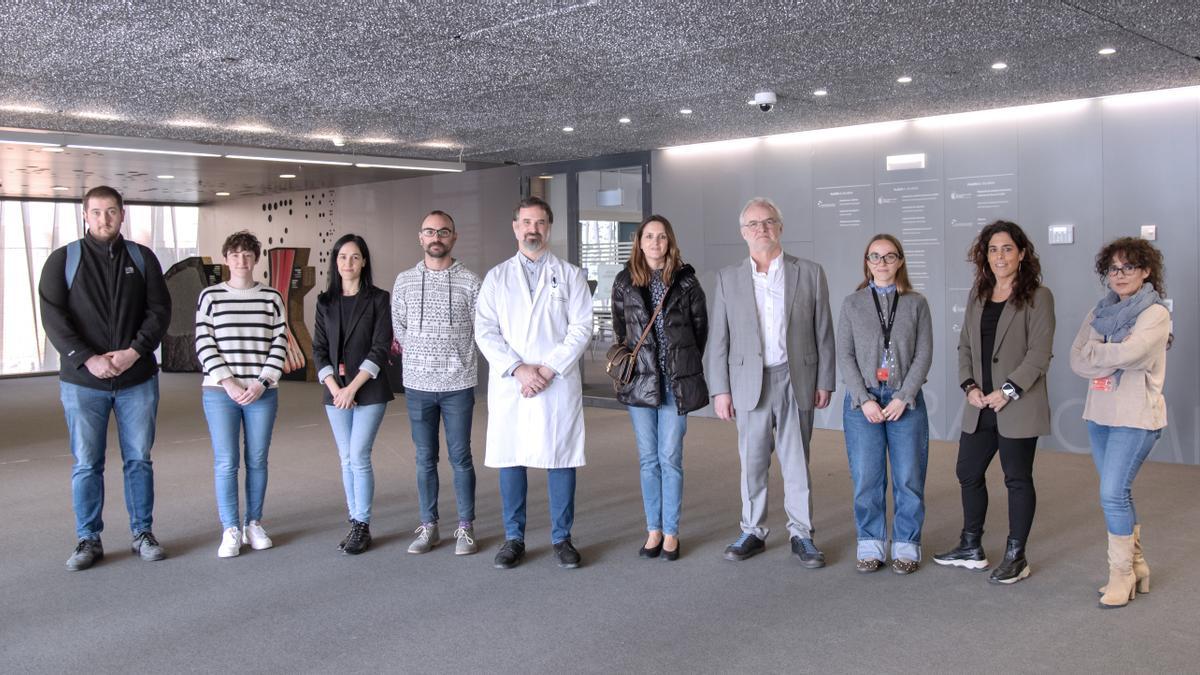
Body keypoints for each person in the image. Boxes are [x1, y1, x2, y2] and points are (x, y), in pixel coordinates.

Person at [38, 185, 171, 570]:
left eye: (111, 211)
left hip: (137, 379)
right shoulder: (63, 260)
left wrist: (134, 352)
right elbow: (54, 318)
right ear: (85, 215)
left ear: (122, 214)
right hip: (83, 383)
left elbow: (160, 311)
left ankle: (142, 532)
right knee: (86, 463)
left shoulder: (142, 258)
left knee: (139, 460)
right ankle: (88, 538)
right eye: (96, 212)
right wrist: (88, 359)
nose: (104, 219)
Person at [704, 197, 836, 567]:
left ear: (780, 227)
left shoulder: (809, 273)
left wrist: (825, 380)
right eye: (753, 224)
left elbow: (823, 331)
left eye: (768, 221)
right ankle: (752, 530)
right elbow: (719, 339)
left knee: (797, 462)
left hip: (797, 378)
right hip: (749, 382)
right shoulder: (728, 278)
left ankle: (801, 534)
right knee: (753, 462)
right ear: (742, 233)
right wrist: (720, 389)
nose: (761, 229)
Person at [933, 220, 1054, 585]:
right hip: (979, 403)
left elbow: (1039, 354)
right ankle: (971, 546)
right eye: (993, 250)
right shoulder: (979, 294)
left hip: (1016, 403)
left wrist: (1008, 390)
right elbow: (965, 347)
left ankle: (1017, 556)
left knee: (1017, 478)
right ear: (984, 256)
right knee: (968, 473)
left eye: (1007, 249)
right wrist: (969, 386)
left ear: (1022, 253)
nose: (1000, 256)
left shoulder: (1038, 296)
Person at [475, 196, 592, 570]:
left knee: (561, 457)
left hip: (555, 382)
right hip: (513, 383)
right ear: (515, 227)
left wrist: (547, 370)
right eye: (526, 222)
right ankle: (514, 539)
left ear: (549, 228)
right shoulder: (496, 278)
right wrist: (519, 370)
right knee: (512, 457)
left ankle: (562, 538)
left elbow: (581, 328)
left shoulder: (570, 275)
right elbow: (485, 330)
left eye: (540, 222)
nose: (533, 229)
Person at [1069, 237, 1170, 609]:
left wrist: (1099, 352)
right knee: (1118, 494)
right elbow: (1077, 360)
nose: (1120, 274)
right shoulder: (1100, 311)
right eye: (1113, 268)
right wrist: (1114, 354)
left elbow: (1135, 353)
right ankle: (1137, 566)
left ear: (1145, 271)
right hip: (1100, 415)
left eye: (1129, 267)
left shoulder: (1155, 314)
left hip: (1136, 417)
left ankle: (1121, 574)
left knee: (1112, 494)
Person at [611, 215, 708, 562]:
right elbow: (620, 330)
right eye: (649, 236)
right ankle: (653, 529)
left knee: (670, 458)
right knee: (649, 460)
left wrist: (681, 365)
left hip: (674, 382)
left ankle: (671, 532)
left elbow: (700, 331)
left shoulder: (687, 281)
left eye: (662, 237)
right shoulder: (624, 282)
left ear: (670, 242)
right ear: (639, 242)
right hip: (640, 382)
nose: (655, 242)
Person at [837, 234, 933, 575]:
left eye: (889, 256)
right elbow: (845, 355)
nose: (882, 263)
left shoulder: (916, 303)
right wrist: (864, 400)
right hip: (863, 403)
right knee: (867, 477)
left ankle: (906, 546)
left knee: (909, 477)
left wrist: (904, 396)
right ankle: (871, 545)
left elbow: (924, 354)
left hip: (904, 400)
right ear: (867, 262)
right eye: (875, 257)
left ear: (900, 261)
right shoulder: (852, 304)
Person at [391, 210, 482, 556]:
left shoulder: (471, 282)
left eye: (443, 232)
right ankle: (429, 525)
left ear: (454, 237)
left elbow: (482, 330)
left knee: (461, 457)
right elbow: (399, 328)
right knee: (424, 458)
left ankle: (465, 527)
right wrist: (421, 353)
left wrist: (453, 356)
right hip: (417, 384)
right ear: (421, 238)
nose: (436, 238)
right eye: (430, 232)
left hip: (458, 383)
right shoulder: (404, 281)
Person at [195, 231, 288, 558]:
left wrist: (261, 382)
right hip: (220, 392)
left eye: (247, 254)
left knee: (257, 460)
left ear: (256, 259)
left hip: (262, 391)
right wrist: (229, 382)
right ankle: (230, 528)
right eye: (235, 255)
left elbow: (280, 342)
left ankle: (254, 523)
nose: (241, 260)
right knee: (226, 462)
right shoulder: (210, 296)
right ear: (226, 259)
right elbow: (204, 342)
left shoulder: (271, 297)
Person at [312, 234, 394, 555]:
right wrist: (336, 388)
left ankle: (363, 524)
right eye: (343, 256)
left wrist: (352, 388)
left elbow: (380, 347)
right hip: (335, 392)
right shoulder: (325, 302)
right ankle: (353, 519)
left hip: (368, 389)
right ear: (336, 262)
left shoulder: (378, 299)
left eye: (355, 257)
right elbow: (319, 349)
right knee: (346, 457)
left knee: (359, 455)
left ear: (364, 262)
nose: (348, 262)